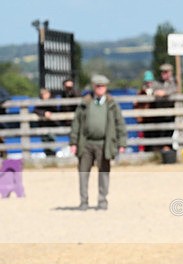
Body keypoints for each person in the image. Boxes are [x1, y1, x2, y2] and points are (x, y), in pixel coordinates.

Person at [69, 74, 127, 210]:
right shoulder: (85, 103)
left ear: (106, 88)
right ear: (93, 87)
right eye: (98, 86)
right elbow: (76, 123)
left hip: (105, 143)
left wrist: (122, 143)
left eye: (103, 86)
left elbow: (120, 124)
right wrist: (73, 142)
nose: (100, 88)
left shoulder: (112, 104)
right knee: (83, 173)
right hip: (86, 142)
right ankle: (84, 201)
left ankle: (102, 200)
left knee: (104, 172)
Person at [33, 87, 58, 157]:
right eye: (43, 94)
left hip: (52, 125)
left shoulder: (53, 101)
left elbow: (55, 109)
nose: (44, 95)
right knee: (45, 142)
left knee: (52, 142)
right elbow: (35, 110)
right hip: (43, 126)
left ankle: (53, 157)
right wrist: (44, 113)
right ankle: (48, 157)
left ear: (49, 94)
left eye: (46, 93)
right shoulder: (39, 102)